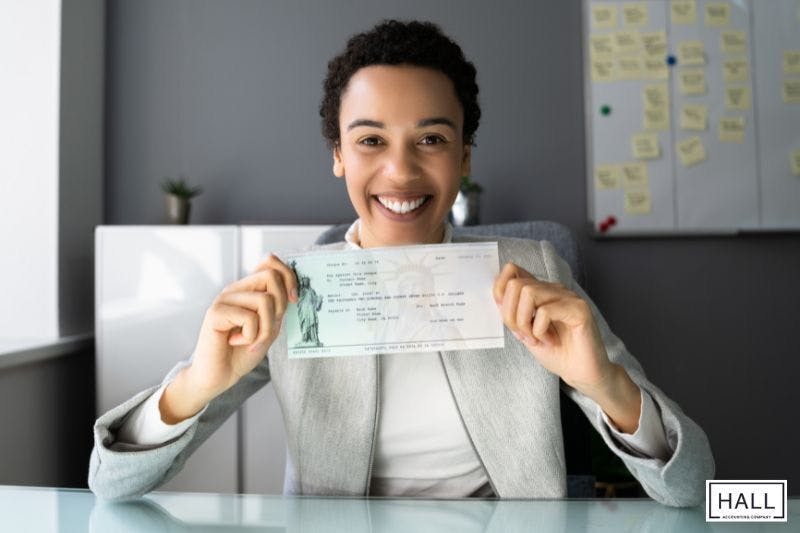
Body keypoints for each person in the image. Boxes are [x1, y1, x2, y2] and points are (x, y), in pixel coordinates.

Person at [89, 19, 714, 505]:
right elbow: (110, 482)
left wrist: (601, 382)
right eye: (369, 141)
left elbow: (692, 488)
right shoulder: (289, 293)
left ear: (464, 157)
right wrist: (200, 381)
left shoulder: (536, 271)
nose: (401, 170)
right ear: (338, 155)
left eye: (432, 140)